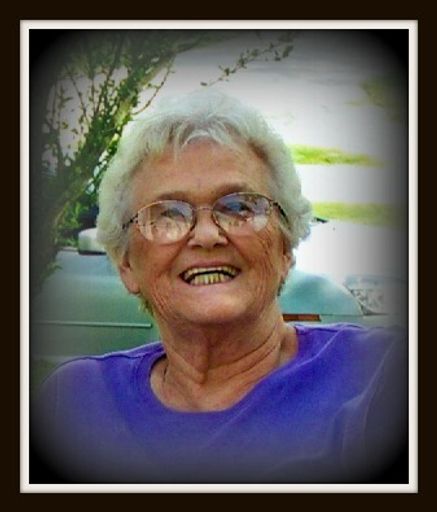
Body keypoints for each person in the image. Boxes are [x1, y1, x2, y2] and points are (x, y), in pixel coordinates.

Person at [31, 90, 407, 484]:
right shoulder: (75, 402)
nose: (207, 235)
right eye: (168, 215)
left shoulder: (380, 378)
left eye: (239, 207)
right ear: (126, 264)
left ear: (285, 247)